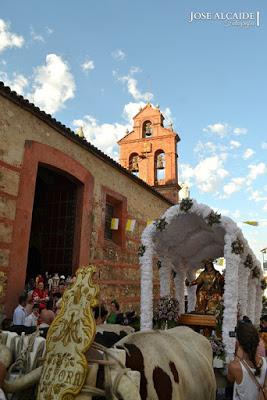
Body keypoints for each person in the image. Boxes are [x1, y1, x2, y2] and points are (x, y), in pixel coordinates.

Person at [227, 320, 267, 400]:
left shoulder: (234, 366)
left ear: (238, 342)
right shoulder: (265, 361)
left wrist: (237, 356)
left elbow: (230, 380)